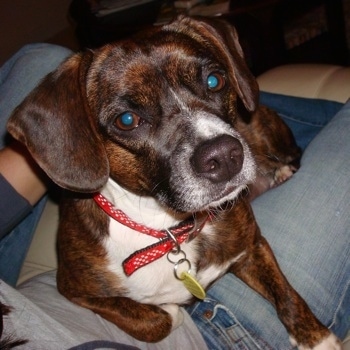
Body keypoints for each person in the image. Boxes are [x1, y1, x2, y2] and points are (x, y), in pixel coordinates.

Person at [0, 43, 349, 349]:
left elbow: (250, 247)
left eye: (212, 81)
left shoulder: (228, 216)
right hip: (212, 332)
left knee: (39, 55)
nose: (212, 139)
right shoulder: (91, 256)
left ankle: (288, 149)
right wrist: (153, 324)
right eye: (127, 119)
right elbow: (77, 289)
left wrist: (303, 324)